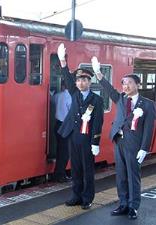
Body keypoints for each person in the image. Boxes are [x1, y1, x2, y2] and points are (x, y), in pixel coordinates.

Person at [91, 56, 156, 219]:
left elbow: (149, 128)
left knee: (133, 175)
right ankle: (123, 203)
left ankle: (133, 206)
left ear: (137, 85)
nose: (125, 86)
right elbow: (108, 88)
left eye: (129, 83)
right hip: (119, 141)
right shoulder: (120, 98)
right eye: (124, 84)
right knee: (120, 174)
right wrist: (98, 73)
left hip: (134, 144)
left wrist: (144, 148)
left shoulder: (148, 104)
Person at [57, 43, 104, 210]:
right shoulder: (75, 93)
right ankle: (76, 195)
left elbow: (98, 122)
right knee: (75, 168)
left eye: (84, 80)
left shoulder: (96, 100)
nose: (80, 82)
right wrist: (63, 61)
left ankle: (87, 197)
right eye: (78, 80)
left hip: (87, 139)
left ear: (89, 82)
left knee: (87, 170)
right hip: (73, 137)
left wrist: (95, 143)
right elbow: (66, 77)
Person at [53, 80, 72, 182]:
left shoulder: (57, 95)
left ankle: (58, 173)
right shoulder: (70, 97)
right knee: (64, 152)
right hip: (66, 126)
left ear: (63, 86)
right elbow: (71, 112)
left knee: (60, 150)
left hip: (57, 125)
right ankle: (60, 175)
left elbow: (52, 101)